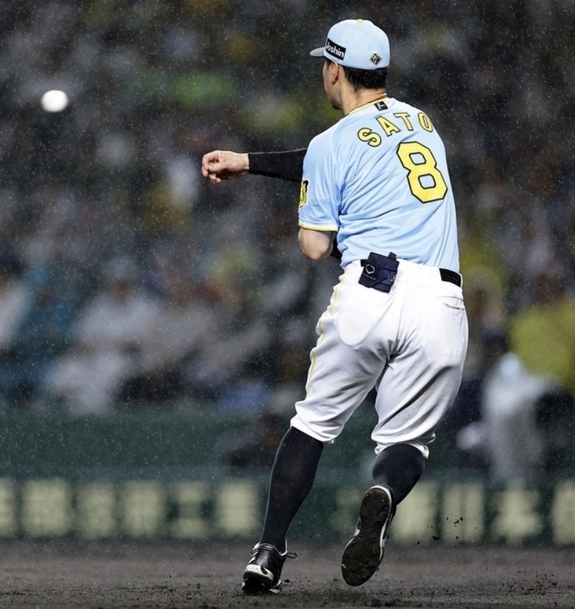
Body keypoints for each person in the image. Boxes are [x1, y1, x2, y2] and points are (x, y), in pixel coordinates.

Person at [202, 19, 468, 594]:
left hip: (371, 290)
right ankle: (383, 496)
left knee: (312, 426)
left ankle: (268, 552)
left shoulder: (331, 144)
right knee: (406, 442)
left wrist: (315, 205)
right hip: (441, 302)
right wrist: (249, 161)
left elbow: (316, 244)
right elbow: (351, 153)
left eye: (326, 62)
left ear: (335, 70)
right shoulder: (422, 123)